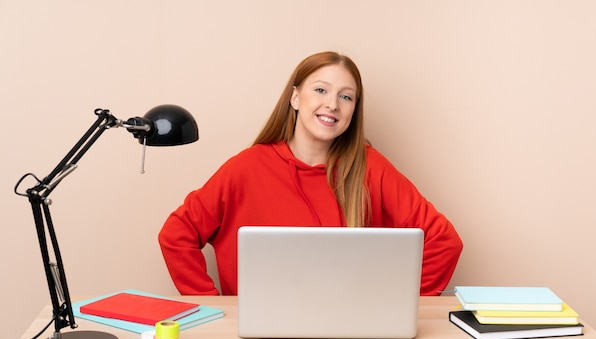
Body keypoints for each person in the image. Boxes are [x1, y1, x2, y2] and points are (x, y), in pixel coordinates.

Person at [158, 51, 463, 296]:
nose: (332, 104)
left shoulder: (371, 167)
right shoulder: (246, 168)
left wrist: (399, 306)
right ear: (295, 98)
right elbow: (176, 235)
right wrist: (212, 309)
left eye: (347, 97)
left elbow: (444, 241)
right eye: (321, 90)